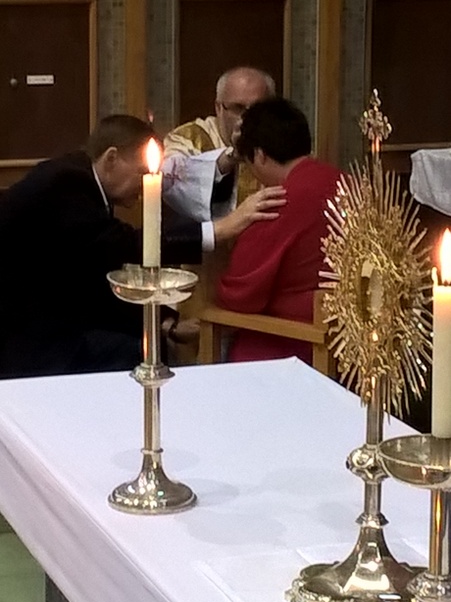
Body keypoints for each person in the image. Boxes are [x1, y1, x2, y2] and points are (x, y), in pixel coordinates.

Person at [0, 114, 285, 378]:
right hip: (24, 335)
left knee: (147, 344)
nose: (147, 183)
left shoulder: (83, 179)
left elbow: (99, 267)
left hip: (50, 316)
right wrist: (220, 229)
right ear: (111, 159)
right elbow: (122, 247)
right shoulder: (66, 183)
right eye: (141, 173)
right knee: (139, 354)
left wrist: (167, 323)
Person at [217, 97, 342, 364]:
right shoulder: (348, 182)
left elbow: (240, 296)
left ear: (260, 155)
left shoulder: (278, 202)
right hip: (354, 345)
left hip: (295, 345)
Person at [163, 66, 276, 222]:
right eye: (238, 108)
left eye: (258, 108)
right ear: (218, 108)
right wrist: (231, 157)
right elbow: (173, 185)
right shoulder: (186, 138)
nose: (248, 117)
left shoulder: (283, 141)